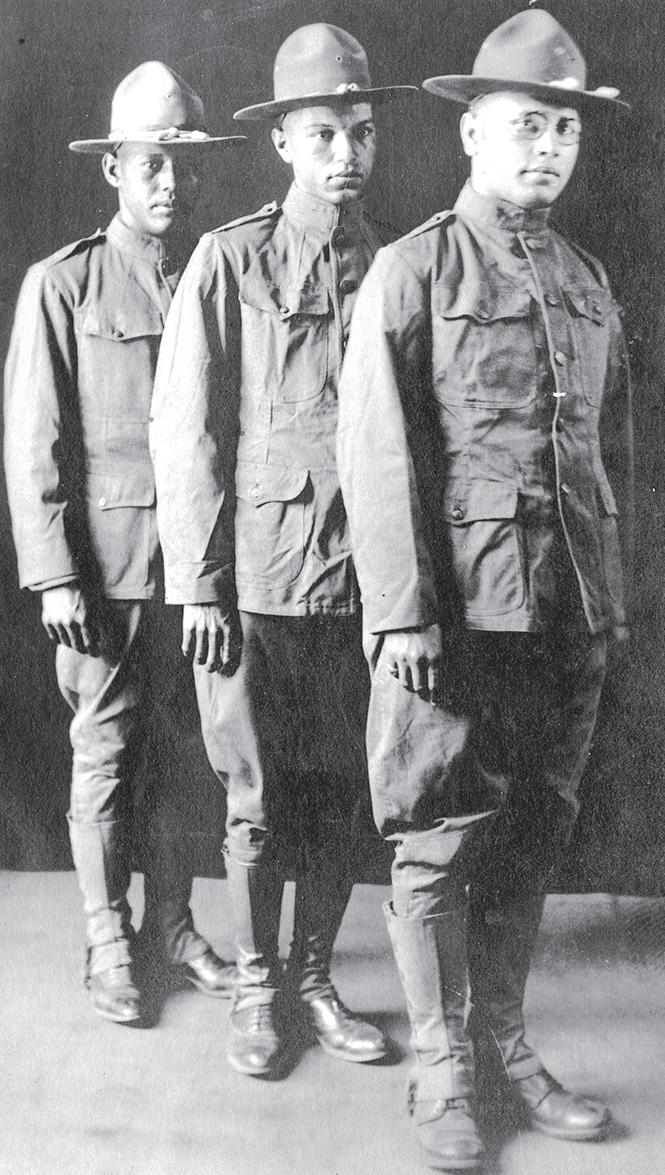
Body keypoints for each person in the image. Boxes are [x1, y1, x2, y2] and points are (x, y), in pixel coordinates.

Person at [337, 10, 632, 1171]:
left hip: (565, 610)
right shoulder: (413, 269)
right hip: (457, 615)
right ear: (470, 132)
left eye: (563, 127)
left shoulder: (583, 278)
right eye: (524, 123)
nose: (547, 145)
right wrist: (401, 611)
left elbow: (608, 455)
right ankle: (441, 1061)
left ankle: (504, 1045)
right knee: (438, 838)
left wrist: (608, 598)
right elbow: (376, 453)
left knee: (531, 831)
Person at [150, 24, 416, 1077]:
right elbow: (186, 432)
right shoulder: (230, 259)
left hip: (360, 583)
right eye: (323, 134)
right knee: (257, 799)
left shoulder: (393, 263)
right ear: (282, 144)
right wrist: (198, 587)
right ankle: (258, 984)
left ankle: (311, 975)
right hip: (256, 582)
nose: (345, 152)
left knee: (343, 794)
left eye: (360, 131)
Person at [4, 62, 246, 1025]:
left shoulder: (216, 275)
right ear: (113, 167)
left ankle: (173, 928)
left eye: (184, 163)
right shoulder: (62, 284)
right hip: (105, 570)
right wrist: (54, 575)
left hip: (200, 570)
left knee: (184, 754)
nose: (170, 182)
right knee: (105, 751)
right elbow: (34, 442)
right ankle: (108, 937)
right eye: (151, 162)